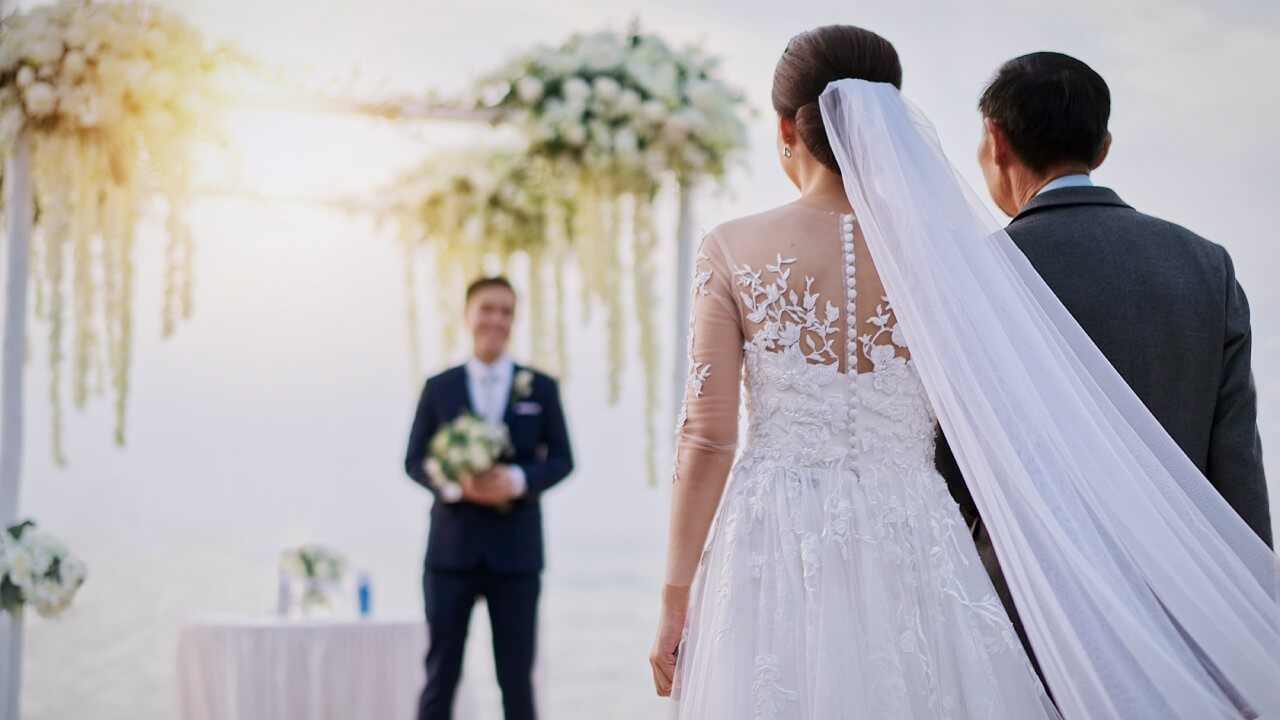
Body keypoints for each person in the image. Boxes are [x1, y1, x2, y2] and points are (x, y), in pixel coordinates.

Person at [652, 24, 1280, 720]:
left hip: (775, 535)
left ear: (784, 128)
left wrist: (675, 600)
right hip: (916, 534)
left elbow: (707, 436)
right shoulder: (952, 255)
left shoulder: (731, 247)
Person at [937, 50, 1272, 680]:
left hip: (1024, 617)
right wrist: (1254, 632)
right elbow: (1237, 472)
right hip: (1184, 619)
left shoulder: (976, 274)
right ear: (1104, 146)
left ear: (996, 139)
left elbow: (947, 469)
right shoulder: (1206, 266)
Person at [405, 276, 573, 720]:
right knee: (440, 677)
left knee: (517, 682)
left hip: (516, 557)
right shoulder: (439, 387)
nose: (496, 319)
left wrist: (516, 479)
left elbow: (562, 460)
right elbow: (413, 460)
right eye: (487, 308)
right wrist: (456, 484)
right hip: (450, 554)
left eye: (506, 311)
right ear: (468, 314)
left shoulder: (540, 387)